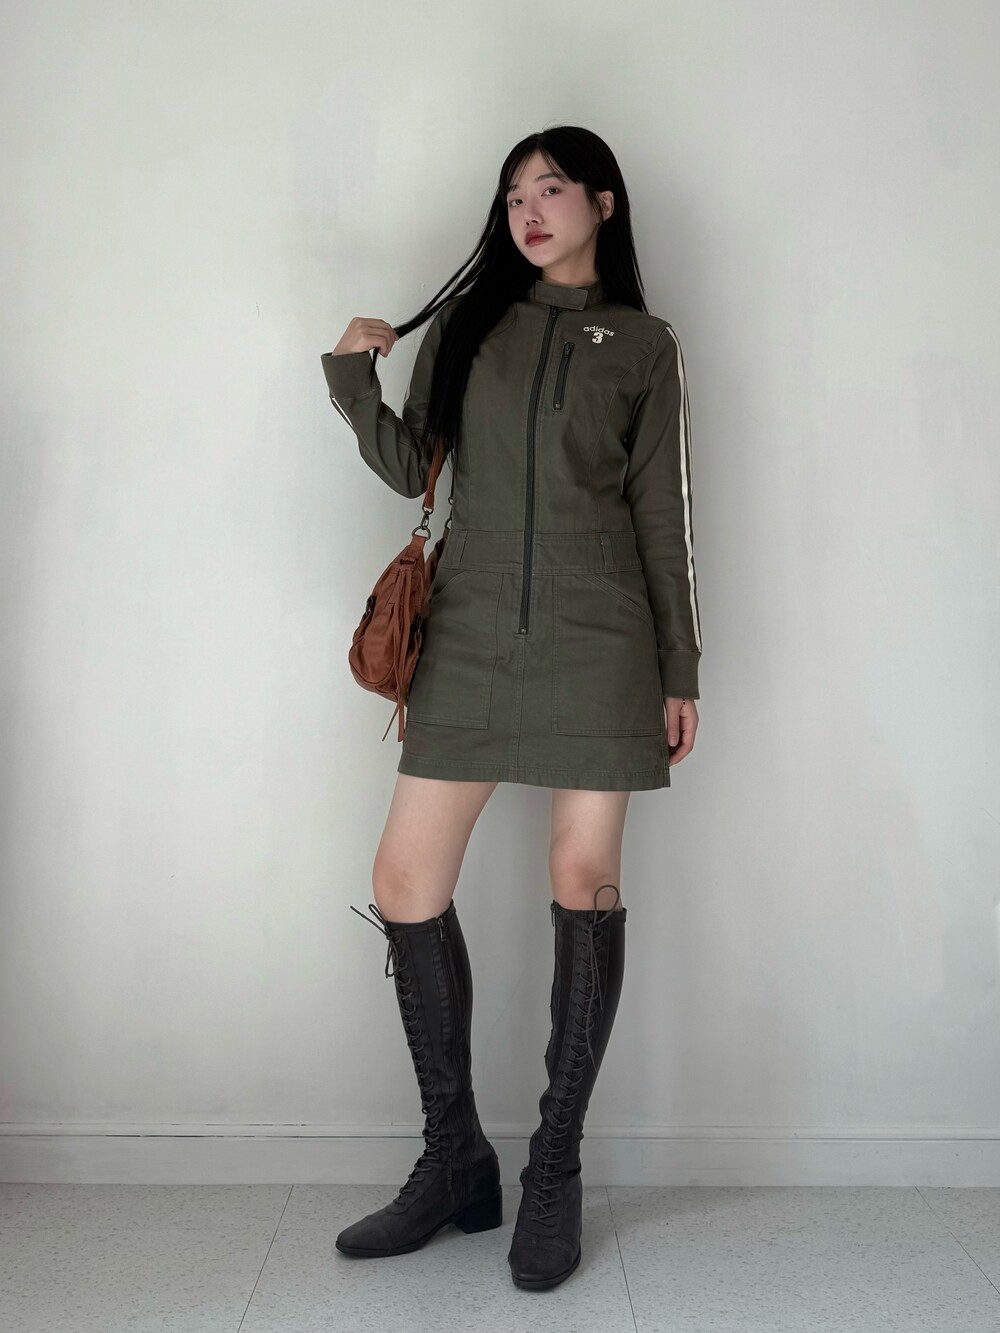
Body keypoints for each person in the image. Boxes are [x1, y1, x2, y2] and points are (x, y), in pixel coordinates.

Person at [320, 125, 702, 1291]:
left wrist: (679, 668)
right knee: (404, 879)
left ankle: (555, 1168)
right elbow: (411, 468)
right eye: (512, 195)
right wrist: (351, 377)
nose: (527, 211)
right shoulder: (469, 327)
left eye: (550, 189)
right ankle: (455, 1159)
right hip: (473, 628)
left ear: (602, 202)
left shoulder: (643, 345)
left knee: (583, 879)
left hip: (601, 637)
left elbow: (660, 517)